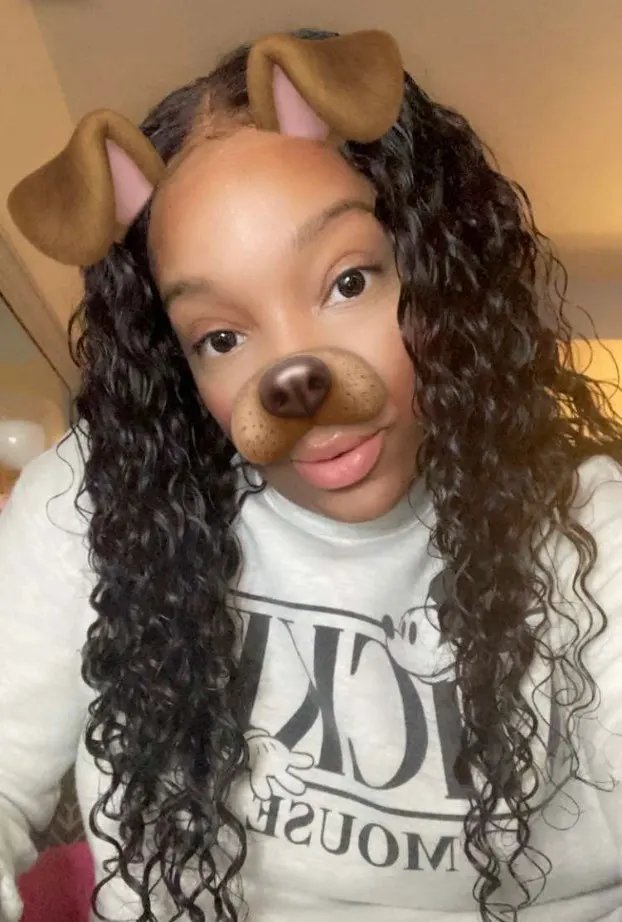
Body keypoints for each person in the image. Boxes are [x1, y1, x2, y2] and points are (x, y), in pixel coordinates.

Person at [0, 25, 621, 922]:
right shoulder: (96, 500)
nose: (294, 379)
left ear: (437, 265)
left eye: (349, 283)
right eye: (221, 337)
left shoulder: (589, 532)